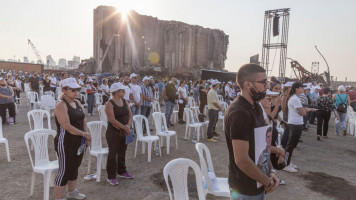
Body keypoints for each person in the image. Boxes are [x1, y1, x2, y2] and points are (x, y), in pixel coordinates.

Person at [225, 64, 279, 200]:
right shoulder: (239, 112)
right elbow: (242, 160)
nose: (267, 86)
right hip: (245, 189)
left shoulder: (255, 107)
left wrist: (270, 171)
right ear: (248, 84)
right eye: (263, 82)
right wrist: (266, 181)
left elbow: (262, 147)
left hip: (258, 182)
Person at [54, 77, 91, 200]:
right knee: (64, 170)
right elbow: (66, 126)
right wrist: (84, 134)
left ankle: (72, 192)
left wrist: (86, 134)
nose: (76, 92)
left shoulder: (77, 102)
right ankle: (59, 198)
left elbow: (83, 120)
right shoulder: (61, 105)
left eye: (77, 89)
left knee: (74, 167)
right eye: (73, 89)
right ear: (64, 90)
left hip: (78, 141)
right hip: (65, 142)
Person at [105, 83, 133, 185]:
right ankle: (111, 176)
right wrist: (123, 127)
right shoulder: (109, 103)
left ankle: (122, 171)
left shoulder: (124, 101)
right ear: (116, 92)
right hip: (113, 132)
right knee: (112, 154)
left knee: (122, 151)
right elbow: (111, 119)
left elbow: (130, 114)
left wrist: (128, 126)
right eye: (122, 91)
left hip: (124, 131)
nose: (125, 92)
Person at [283, 82, 310, 173]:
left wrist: (303, 111)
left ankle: (288, 162)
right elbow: (303, 112)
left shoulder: (294, 98)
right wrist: (303, 111)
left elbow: (302, 111)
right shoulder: (295, 99)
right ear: (297, 89)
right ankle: (285, 164)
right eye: (302, 88)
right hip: (295, 124)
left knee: (292, 144)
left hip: (296, 123)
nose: (303, 89)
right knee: (290, 145)